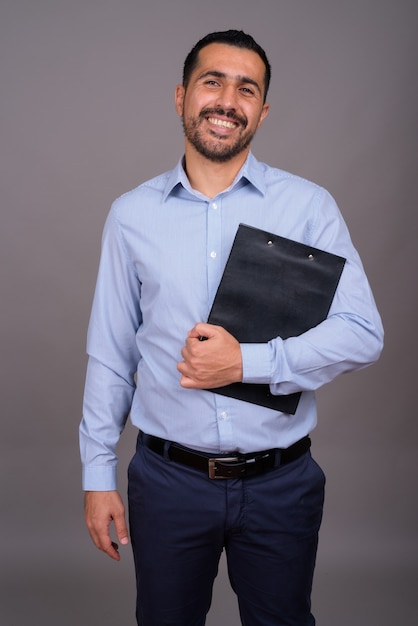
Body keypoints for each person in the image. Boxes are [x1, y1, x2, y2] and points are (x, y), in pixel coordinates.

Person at [80, 29, 383, 626]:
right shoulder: (131, 215)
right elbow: (111, 354)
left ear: (262, 111)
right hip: (166, 484)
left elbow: (362, 331)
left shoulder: (309, 208)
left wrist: (247, 363)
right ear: (181, 96)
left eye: (247, 89)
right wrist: (97, 475)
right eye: (211, 82)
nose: (227, 101)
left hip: (281, 485)